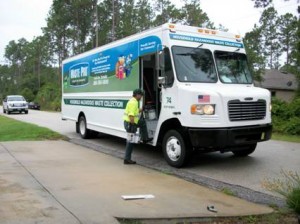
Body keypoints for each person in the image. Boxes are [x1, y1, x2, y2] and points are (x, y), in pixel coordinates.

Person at [123, 89, 153, 165]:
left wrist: (142, 109)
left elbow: (135, 111)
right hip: (130, 123)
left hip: (129, 123)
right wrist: (133, 125)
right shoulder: (134, 102)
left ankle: (145, 138)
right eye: (141, 95)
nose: (142, 96)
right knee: (130, 142)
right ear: (137, 95)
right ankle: (127, 159)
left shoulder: (133, 101)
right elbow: (131, 115)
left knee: (142, 123)